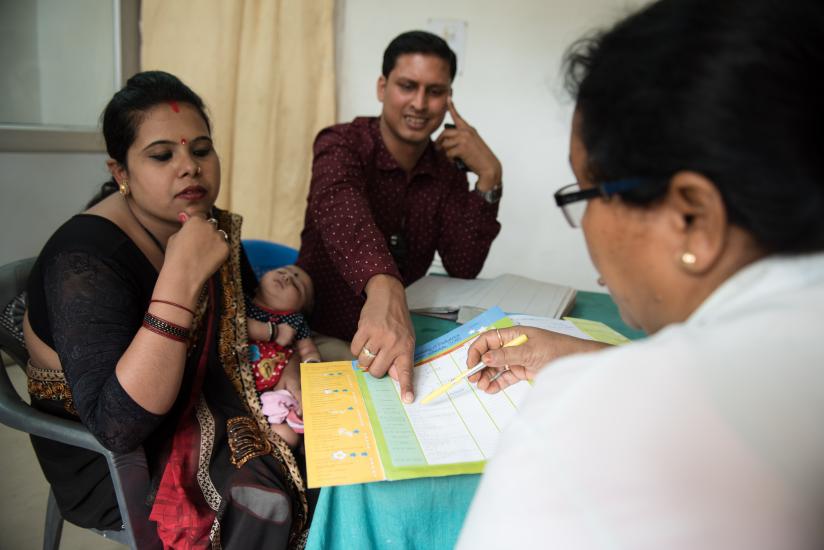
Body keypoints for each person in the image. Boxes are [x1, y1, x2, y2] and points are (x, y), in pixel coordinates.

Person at [458, 0, 824, 548]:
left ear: (693, 219)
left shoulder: (583, 428)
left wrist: (593, 383)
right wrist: (586, 357)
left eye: (586, 192)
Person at [23, 71, 309, 548]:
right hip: (115, 459)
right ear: (120, 173)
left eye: (201, 150)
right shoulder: (84, 260)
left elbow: (243, 335)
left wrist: (294, 369)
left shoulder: (205, 226)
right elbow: (118, 426)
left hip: (210, 404)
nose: (190, 167)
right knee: (265, 491)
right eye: (162, 155)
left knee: (331, 443)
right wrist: (180, 276)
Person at [296, 30, 503, 403]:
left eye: (435, 91)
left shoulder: (446, 168)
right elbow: (344, 214)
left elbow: (464, 264)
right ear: (382, 87)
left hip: (409, 339)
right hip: (320, 335)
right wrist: (385, 284)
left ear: (448, 99)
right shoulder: (340, 143)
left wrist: (489, 178)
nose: (420, 103)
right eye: (407, 86)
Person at [246, 265, 320, 446]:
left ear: (301, 308)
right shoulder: (243, 305)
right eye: (282, 271)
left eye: (297, 284)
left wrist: (311, 366)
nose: (287, 277)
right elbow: (233, 325)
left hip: (274, 393)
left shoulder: (295, 321)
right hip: (236, 385)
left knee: (288, 436)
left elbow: (308, 350)